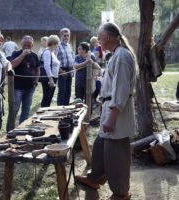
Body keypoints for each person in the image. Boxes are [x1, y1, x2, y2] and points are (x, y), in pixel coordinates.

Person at [75, 22, 138, 200]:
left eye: (99, 36)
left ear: (108, 37)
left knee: (117, 156)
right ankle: (95, 178)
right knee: (100, 146)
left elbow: (121, 89)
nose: (98, 40)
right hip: (109, 109)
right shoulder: (116, 54)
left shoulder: (122, 56)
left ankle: (121, 192)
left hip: (117, 112)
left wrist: (112, 117)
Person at [7, 35, 40, 131]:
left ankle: (22, 129)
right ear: (21, 44)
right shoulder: (16, 53)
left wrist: (36, 81)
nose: (27, 47)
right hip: (17, 88)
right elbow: (12, 65)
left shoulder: (34, 56)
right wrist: (23, 55)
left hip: (30, 88)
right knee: (14, 110)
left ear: (32, 45)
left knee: (26, 111)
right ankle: (10, 130)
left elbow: (38, 70)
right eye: (25, 45)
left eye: (29, 45)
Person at [40, 35, 60, 107]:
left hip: (54, 77)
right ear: (53, 43)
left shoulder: (52, 52)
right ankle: (42, 115)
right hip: (48, 79)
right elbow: (47, 66)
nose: (57, 45)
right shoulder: (47, 52)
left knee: (49, 98)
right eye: (57, 43)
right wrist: (51, 79)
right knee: (46, 98)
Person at [56, 28, 74, 106]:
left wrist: (73, 70)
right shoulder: (57, 46)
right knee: (62, 91)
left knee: (68, 91)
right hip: (62, 71)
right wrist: (60, 71)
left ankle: (66, 109)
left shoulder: (69, 46)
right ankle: (60, 109)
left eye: (68, 35)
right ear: (61, 36)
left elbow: (72, 59)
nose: (66, 37)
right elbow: (54, 60)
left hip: (69, 70)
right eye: (64, 35)